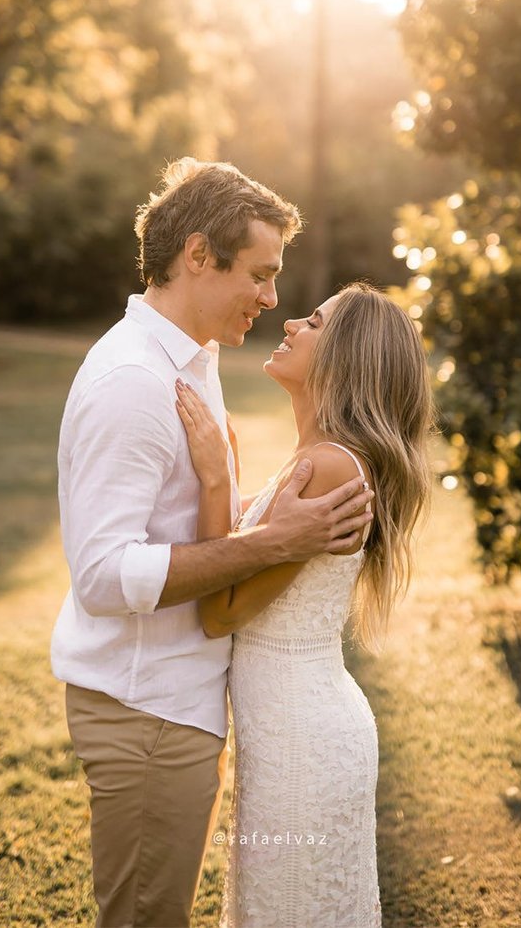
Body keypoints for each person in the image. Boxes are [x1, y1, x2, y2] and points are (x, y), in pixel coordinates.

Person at [52, 158, 375, 927]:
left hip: (182, 709)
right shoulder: (133, 381)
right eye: (260, 275)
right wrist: (270, 541)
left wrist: (227, 500)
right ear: (198, 255)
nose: (272, 298)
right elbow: (102, 575)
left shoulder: (195, 363)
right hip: (146, 711)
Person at [175, 282, 433, 927]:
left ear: (344, 358)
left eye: (313, 322)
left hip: (302, 742)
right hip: (293, 730)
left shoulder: (328, 466)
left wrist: (214, 475)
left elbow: (220, 611)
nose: (290, 321)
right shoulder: (319, 459)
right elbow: (249, 559)